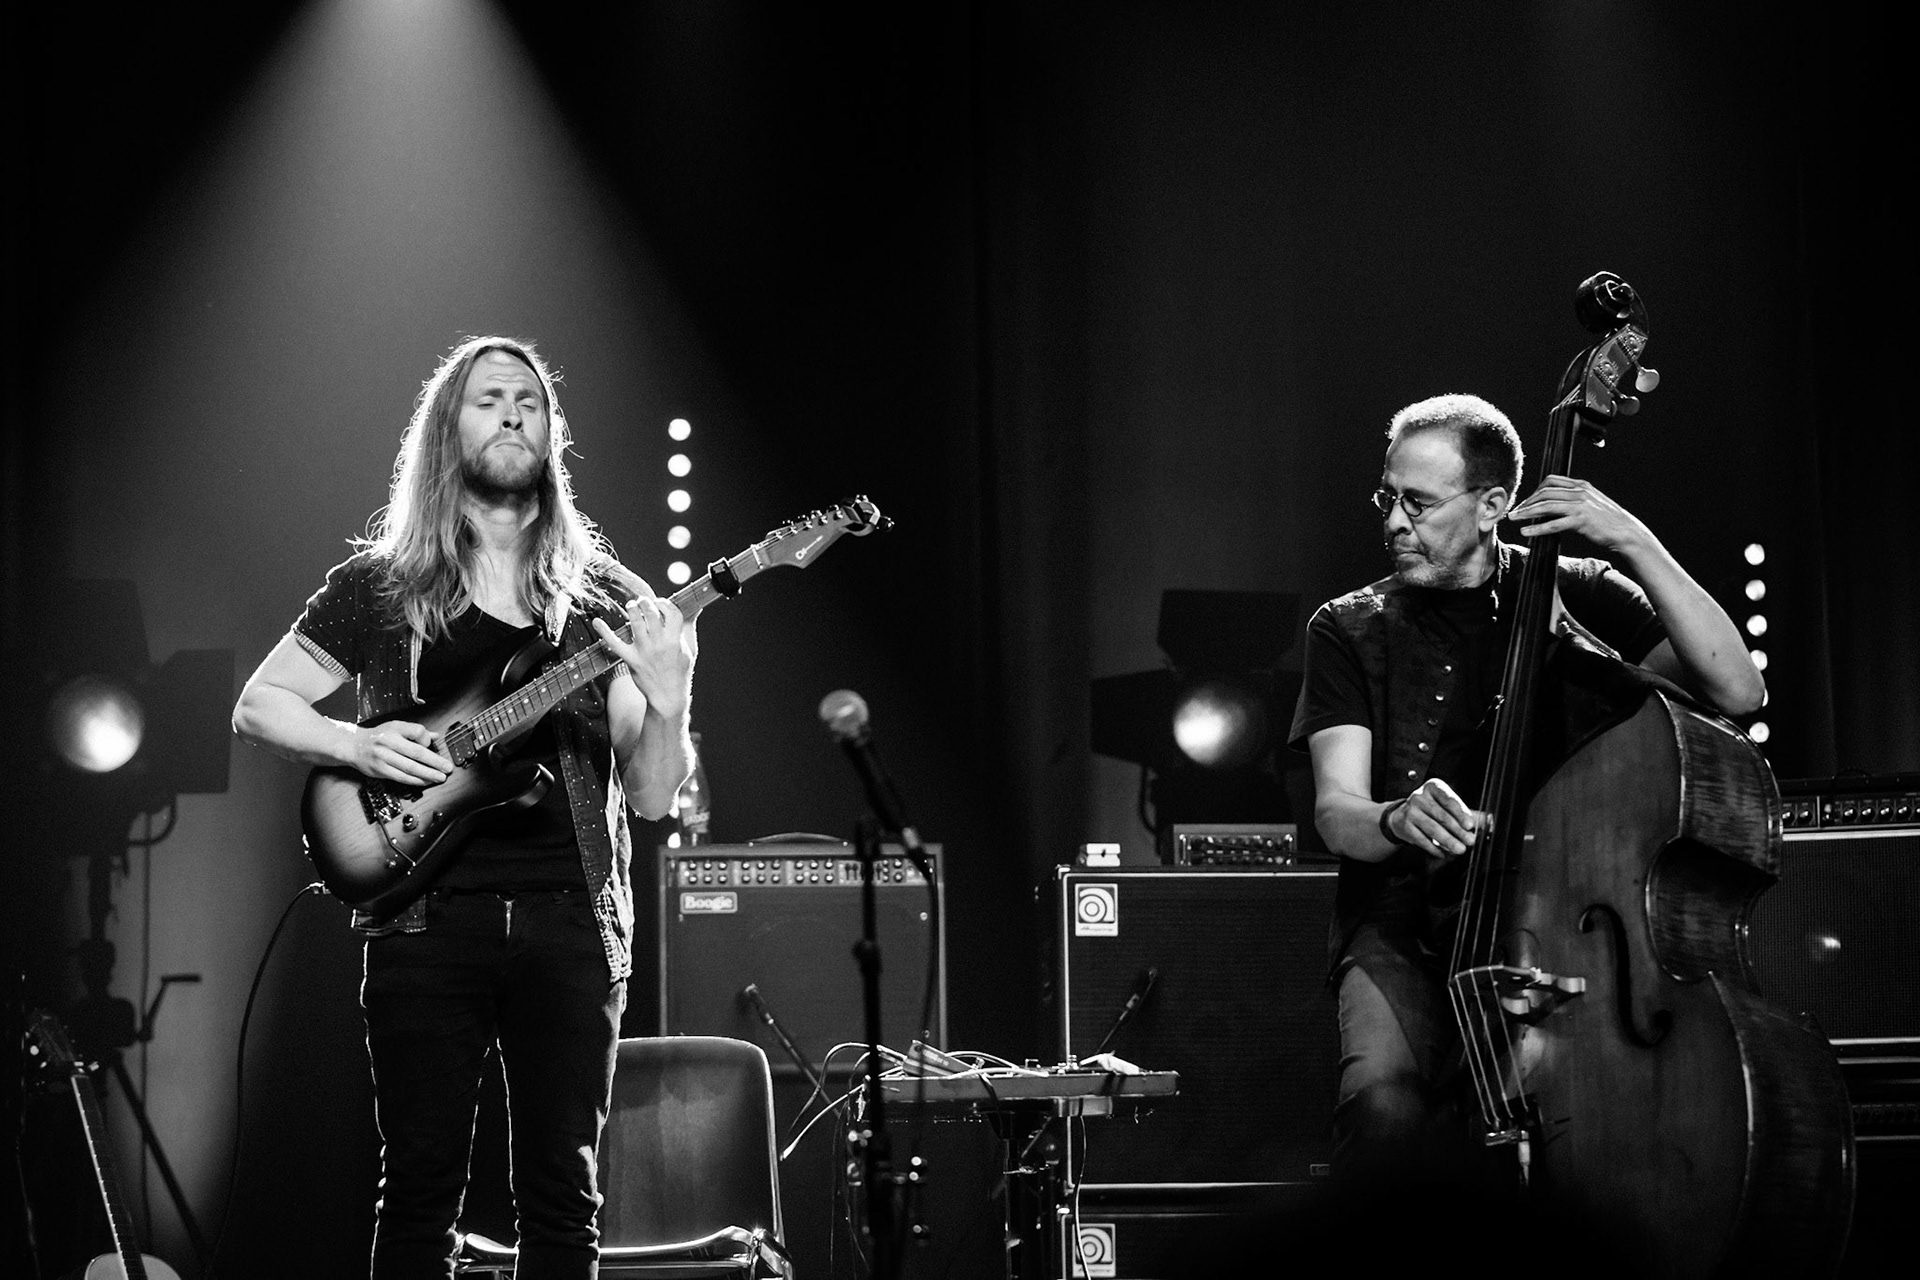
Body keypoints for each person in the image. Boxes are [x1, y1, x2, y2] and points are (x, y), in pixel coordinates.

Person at [232, 336, 696, 1278]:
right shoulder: (379, 586)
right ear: (448, 432)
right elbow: (257, 704)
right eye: (489, 399)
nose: (514, 412)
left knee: (565, 1204)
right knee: (417, 1199)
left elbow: (650, 798)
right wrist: (354, 744)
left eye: (530, 400)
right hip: (421, 921)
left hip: (572, 924)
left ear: (551, 438)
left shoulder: (610, 602)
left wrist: (672, 696)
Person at [1287, 393, 1764, 1186]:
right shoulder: (1348, 626)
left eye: (1420, 502)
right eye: (1389, 498)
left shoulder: (1580, 589)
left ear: (1492, 505)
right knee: (1383, 1107)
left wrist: (1630, 540)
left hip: (1562, 917)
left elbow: (1738, 691)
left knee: (1589, 1134)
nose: (1396, 522)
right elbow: (1338, 813)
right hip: (1403, 925)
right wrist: (1399, 817)